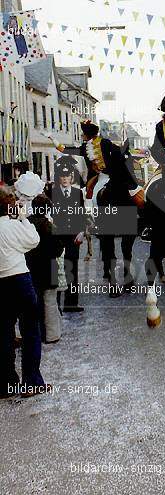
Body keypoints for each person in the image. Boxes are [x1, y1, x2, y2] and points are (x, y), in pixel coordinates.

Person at [0, 185, 51, 398]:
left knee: (4, 333)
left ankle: (6, 383)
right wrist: (23, 218)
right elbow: (33, 240)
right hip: (20, 278)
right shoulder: (13, 226)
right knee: (30, 331)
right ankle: (31, 382)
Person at [49, 119, 145, 209]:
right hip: (104, 175)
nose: (82, 136)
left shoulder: (104, 143)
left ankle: (91, 215)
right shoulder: (90, 146)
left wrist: (53, 139)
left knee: (89, 195)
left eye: (83, 134)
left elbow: (65, 149)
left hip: (110, 175)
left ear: (87, 135)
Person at [49, 156, 85, 313]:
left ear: (72, 177)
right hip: (57, 238)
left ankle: (71, 304)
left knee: (72, 269)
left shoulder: (77, 193)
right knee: (55, 271)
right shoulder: (52, 193)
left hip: (73, 237)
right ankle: (55, 305)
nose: (65, 179)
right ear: (59, 178)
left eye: (67, 176)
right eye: (62, 176)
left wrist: (82, 232)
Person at [26, 194, 64, 343]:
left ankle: (34, 334)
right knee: (50, 302)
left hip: (30, 267)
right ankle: (52, 334)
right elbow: (58, 249)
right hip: (49, 267)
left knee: (33, 303)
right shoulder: (50, 226)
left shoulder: (26, 224)